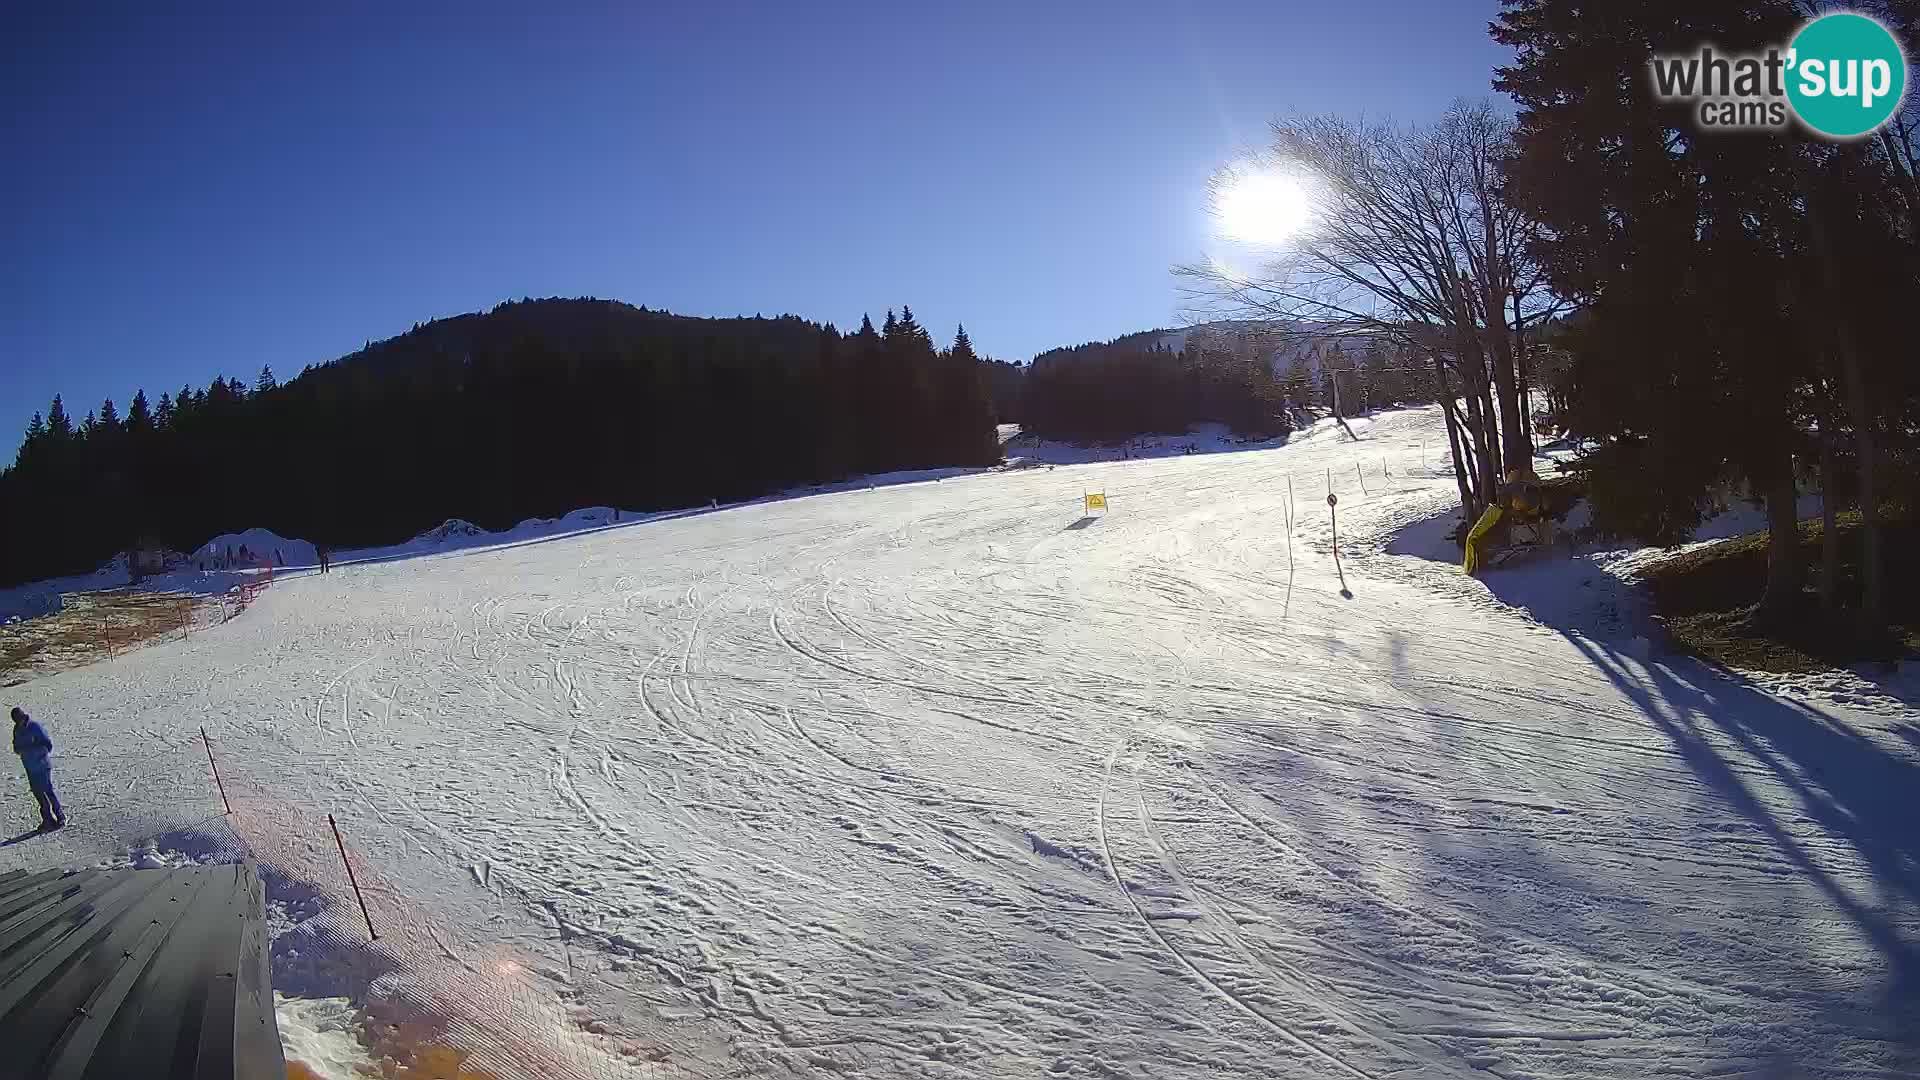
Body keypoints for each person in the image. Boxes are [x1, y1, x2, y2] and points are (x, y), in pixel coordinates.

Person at [11, 707, 63, 831]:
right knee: (38, 794)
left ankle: (60, 816)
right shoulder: (17, 730)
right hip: (30, 767)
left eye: (20, 720)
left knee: (47, 791)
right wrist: (22, 750)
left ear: (23, 717)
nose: (19, 723)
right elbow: (16, 747)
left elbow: (48, 744)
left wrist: (39, 755)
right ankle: (47, 820)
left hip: (42, 766)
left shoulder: (34, 727)